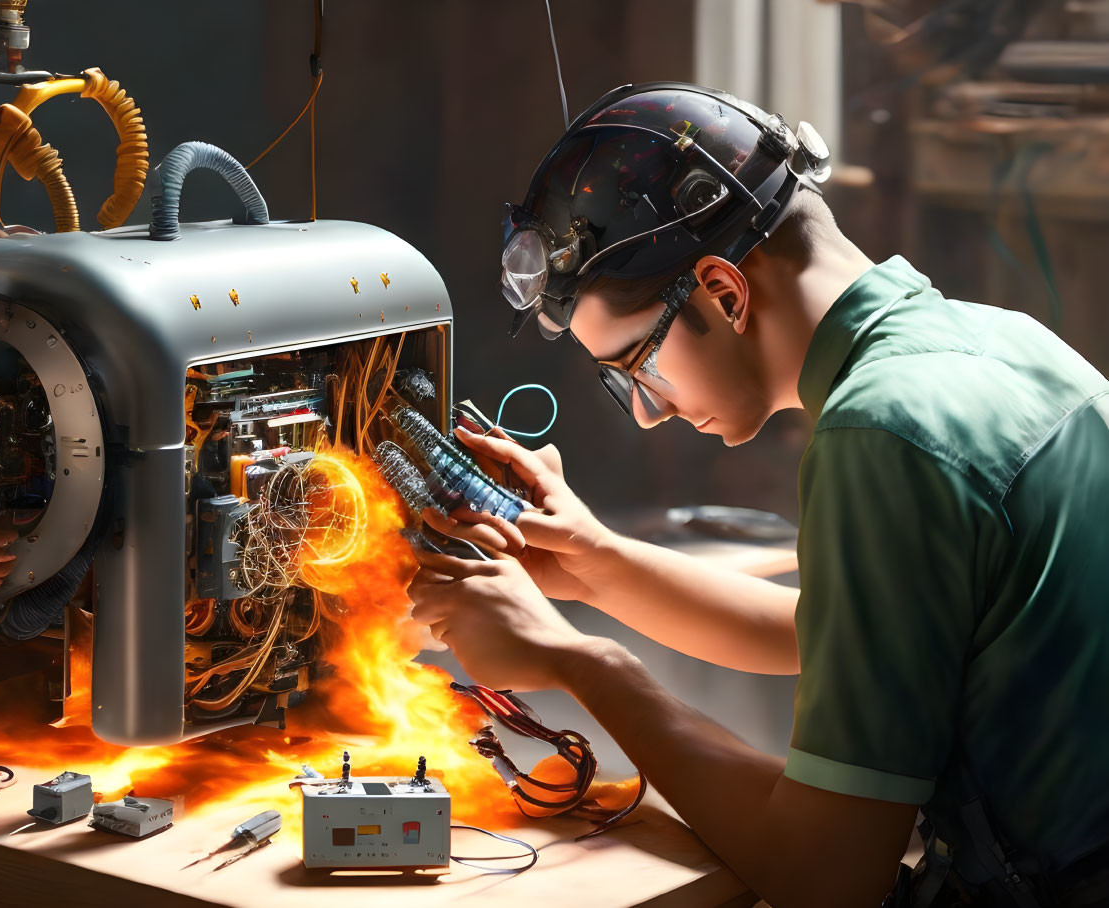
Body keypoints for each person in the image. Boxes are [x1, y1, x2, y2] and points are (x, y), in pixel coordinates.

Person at [406, 83, 1109, 907]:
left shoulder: (880, 432)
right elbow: (841, 633)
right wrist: (594, 563)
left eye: (638, 364)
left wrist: (581, 663)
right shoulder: (996, 342)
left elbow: (823, 877)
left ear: (724, 291)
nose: (646, 411)